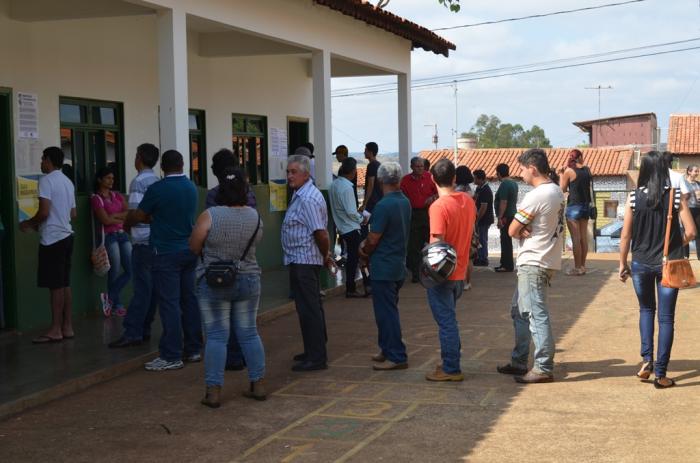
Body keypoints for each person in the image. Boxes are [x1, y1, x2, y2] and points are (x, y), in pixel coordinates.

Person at [619, 151, 696, 389]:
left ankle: (646, 362)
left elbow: (625, 234)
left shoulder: (633, 197)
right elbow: (692, 232)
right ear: (663, 170)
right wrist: (675, 244)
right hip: (668, 264)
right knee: (666, 318)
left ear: (644, 171)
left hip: (640, 263)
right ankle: (661, 375)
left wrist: (623, 263)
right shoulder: (675, 197)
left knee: (645, 310)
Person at [190, 168, 266, 407]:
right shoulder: (255, 217)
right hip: (248, 280)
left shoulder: (209, 215)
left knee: (216, 336)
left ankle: (213, 391)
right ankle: (258, 384)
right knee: (249, 332)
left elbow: (194, 246)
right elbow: (257, 242)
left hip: (214, 283)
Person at [125, 150, 202, 371]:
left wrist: (129, 221)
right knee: (189, 300)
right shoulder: (191, 187)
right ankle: (194, 348)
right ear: (183, 164)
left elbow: (139, 215)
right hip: (188, 250)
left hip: (165, 252)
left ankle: (171, 354)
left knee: (169, 304)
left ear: (162, 167)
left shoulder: (157, 189)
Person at [497, 149, 565, 383]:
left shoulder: (537, 195)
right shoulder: (556, 190)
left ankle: (543, 366)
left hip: (534, 260)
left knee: (535, 314)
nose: (521, 174)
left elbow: (512, 229)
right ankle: (519, 360)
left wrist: (520, 228)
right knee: (520, 311)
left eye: (523, 169)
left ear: (532, 169)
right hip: (544, 258)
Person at [423, 159, 476, 381]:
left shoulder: (438, 207)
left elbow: (437, 244)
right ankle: (448, 362)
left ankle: (451, 367)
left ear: (433, 178)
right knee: (449, 319)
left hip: (442, 274)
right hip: (460, 271)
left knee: (446, 323)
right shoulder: (467, 201)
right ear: (454, 178)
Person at [282, 154, 335, 371]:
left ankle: (316, 357)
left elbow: (321, 233)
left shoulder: (307, 198)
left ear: (306, 174)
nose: (289, 176)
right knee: (308, 307)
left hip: (305, 260)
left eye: (294, 172)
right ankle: (313, 349)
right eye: (288, 172)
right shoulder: (301, 193)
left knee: (309, 309)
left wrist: (325, 255)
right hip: (299, 259)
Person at [205, 148, 255, 369]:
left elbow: (203, 235)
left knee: (219, 324)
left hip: (218, 265)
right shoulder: (250, 195)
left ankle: (227, 362)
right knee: (246, 323)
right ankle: (249, 363)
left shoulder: (213, 197)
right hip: (247, 262)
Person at [20, 147, 76, 343]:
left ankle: (55, 329)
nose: (41, 163)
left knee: (55, 285)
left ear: (49, 160)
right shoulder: (68, 182)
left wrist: (28, 223)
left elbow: (44, 212)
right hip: (67, 236)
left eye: (43, 159)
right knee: (65, 282)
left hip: (53, 239)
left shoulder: (46, 181)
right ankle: (67, 326)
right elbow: (73, 214)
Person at [359, 162, 411, 371]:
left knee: (386, 313)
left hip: (384, 266)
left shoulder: (383, 205)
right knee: (387, 310)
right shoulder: (404, 201)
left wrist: (363, 251)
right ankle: (386, 348)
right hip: (397, 263)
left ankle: (397, 355)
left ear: (381, 180)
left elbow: (373, 238)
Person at [108, 143, 160, 348]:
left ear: (139, 157)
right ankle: (145, 328)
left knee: (141, 289)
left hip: (141, 241)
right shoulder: (156, 181)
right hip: (155, 241)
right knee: (151, 289)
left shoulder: (138, 182)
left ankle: (133, 332)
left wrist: (127, 223)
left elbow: (138, 214)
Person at [91, 167, 130, 317]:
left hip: (122, 234)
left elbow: (129, 214)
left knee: (130, 269)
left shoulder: (117, 195)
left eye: (112, 178)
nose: (111, 181)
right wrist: (118, 217)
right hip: (109, 236)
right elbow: (105, 220)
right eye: (107, 178)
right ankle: (116, 305)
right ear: (100, 179)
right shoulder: (96, 198)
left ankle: (110, 297)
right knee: (114, 270)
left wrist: (114, 215)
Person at [330, 157, 369, 298]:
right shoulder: (347, 187)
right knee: (358, 258)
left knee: (354, 258)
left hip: (342, 226)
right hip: (351, 227)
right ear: (353, 172)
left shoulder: (334, 184)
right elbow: (351, 211)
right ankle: (354, 287)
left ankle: (359, 285)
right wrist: (362, 218)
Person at [400, 156, 437, 283]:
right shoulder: (405, 180)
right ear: (412, 167)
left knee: (432, 243)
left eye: (422, 166)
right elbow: (401, 196)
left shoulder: (430, 177)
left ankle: (433, 272)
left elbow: (438, 192)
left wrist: (433, 198)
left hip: (428, 214)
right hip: (413, 215)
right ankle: (416, 274)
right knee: (413, 246)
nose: (420, 169)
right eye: (417, 166)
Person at [560, 149, 592, 276]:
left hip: (574, 206)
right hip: (586, 206)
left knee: (575, 239)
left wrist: (561, 174)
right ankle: (583, 266)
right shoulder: (587, 170)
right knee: (583, 238)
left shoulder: (569, 171)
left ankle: (577, 267)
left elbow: (562, 189)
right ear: (581, 157)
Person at [494, 163, 518, 272]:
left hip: (505, 216)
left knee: (505, 240)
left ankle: (506, 265)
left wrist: (499, 217)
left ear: (499, 173)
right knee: (507, 240)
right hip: (512, 214)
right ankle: (506, 263)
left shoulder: (504, 184)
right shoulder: (514, 183)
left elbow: (503, 202)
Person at [473, 169, 494, 267]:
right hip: (480, 218)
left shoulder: (486, 190)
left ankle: (483, 258)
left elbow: (483, 207)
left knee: (482, 238)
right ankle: (479, 256)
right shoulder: (479, 188)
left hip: (484, 219)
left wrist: (477, 219)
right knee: (478, 238)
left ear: (480, 178)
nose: (473, 179)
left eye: (475, 178)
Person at [360, 142, 382, 216]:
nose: (364, 152)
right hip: (378, 199)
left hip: (372, 201)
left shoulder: (371, 165)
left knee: (363, 224)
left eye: (366, 150)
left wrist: (364, 204)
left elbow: (370, 185)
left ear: (370, 152)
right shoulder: (379, 164)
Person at [683, 165, 700, 259]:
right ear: (689, 172)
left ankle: (699, 256)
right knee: (687, 232)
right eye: (696, 171)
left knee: (699, 233)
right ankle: (685, 255)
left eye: (698, 171)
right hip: (687, 209)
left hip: (698, 209)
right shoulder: (684, 183)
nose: (697, 173)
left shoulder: (698, 184)